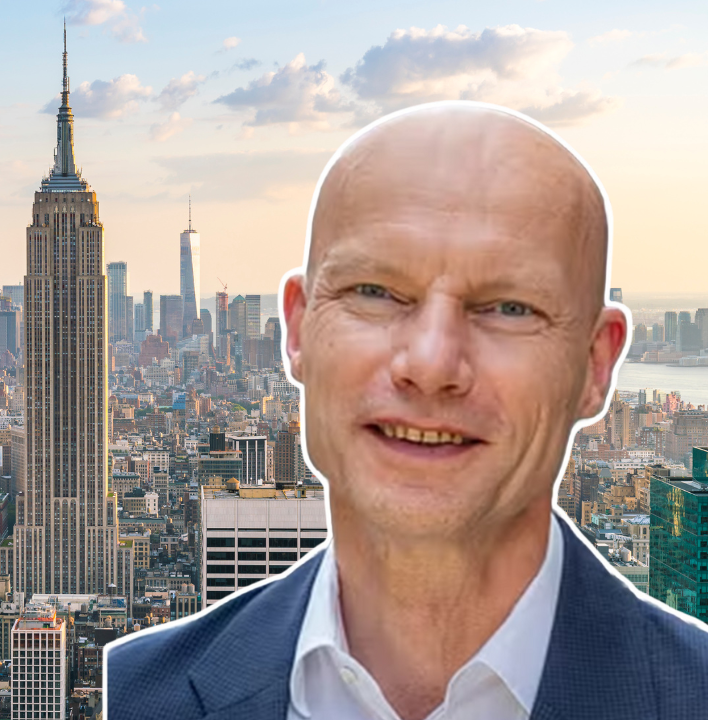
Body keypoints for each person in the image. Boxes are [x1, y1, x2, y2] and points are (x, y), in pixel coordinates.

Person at [104, 102, 708, 720]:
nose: (431, 363)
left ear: (595, 365)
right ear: (297, 329)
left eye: (509, 306)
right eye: (373, 292)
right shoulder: (133, 695)